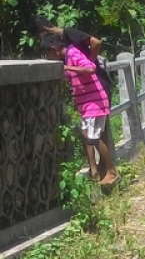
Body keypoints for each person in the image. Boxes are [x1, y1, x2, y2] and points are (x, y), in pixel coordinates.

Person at [43, 34, 119, 187]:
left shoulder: (73, 53)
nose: (48, 57)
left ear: (54, 49)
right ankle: (94, 171)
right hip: (85, 103)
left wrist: (67, 67)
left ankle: (112, 172)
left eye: (48, 53)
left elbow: (90, 68)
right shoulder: (67, 57)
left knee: (94, 138)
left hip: (94, 102)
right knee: (86, 135)